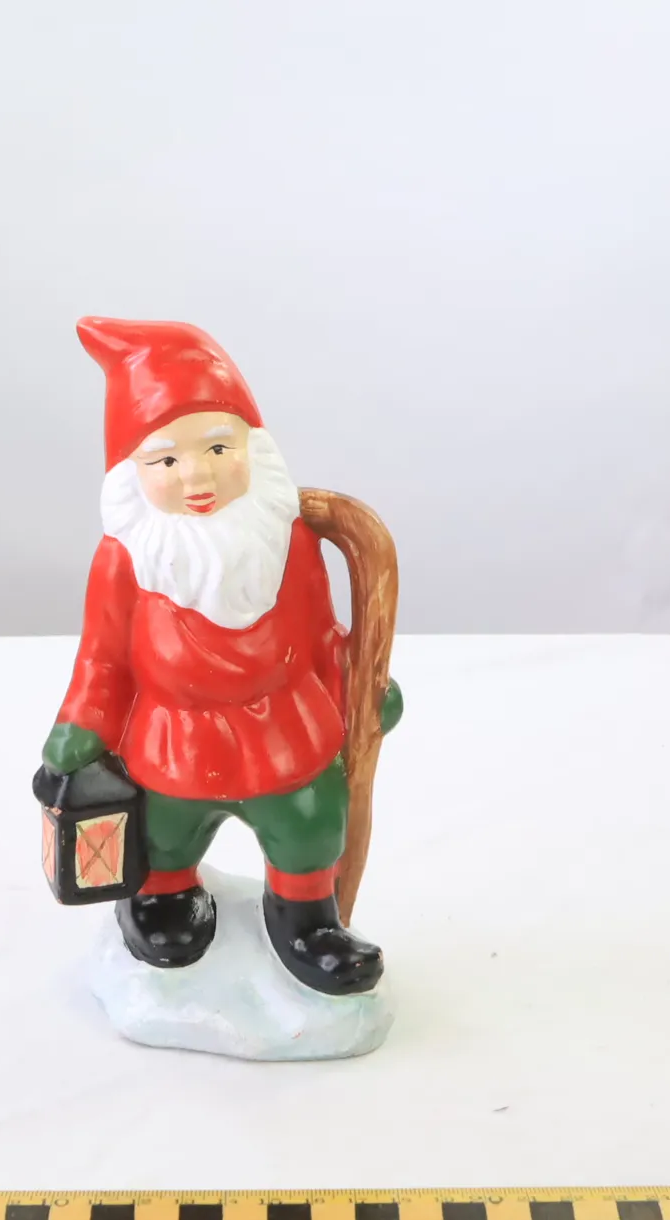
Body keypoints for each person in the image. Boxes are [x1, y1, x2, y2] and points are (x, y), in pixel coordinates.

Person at [40, 318, 402, 996]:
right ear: (133, 474)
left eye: (216, 447)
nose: (198, 474)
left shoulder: (286, 540)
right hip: (173, 743)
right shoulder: (125, 558)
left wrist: (356, 678)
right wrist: (80, 727)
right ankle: (164, 897)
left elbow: (319, 633)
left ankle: (306, 920)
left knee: (309, 825)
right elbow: (103, 661)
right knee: (164, 834)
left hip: (286, 734)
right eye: (166, 461)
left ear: (250, 447)